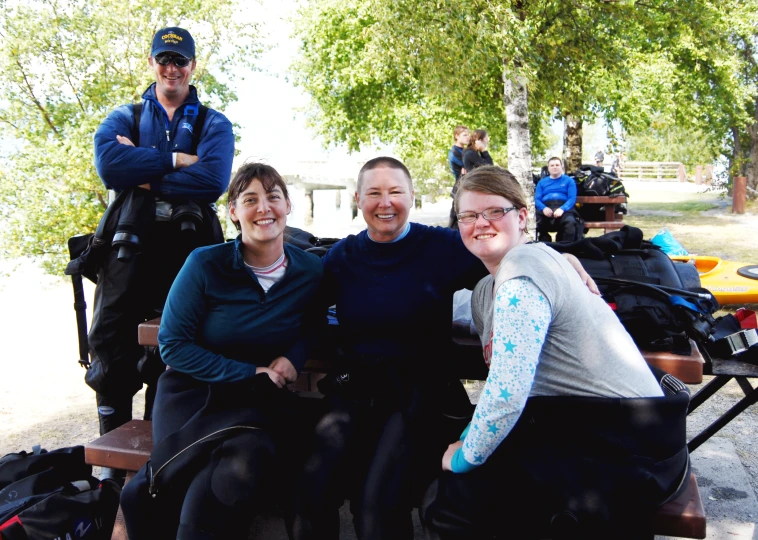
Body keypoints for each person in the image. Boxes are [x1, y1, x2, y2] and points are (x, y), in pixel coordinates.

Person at [293, 157, 598, 540]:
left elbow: (509, 256)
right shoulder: (342, 257)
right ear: (358, 198)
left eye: (395, 192)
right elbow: (307, 315)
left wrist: (561, 257)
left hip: (420, 395)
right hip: (356, 391)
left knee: (377, 505)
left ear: (411, 197)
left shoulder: (442, 247)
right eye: (374, 193)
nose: (385, 203)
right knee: (310, 491)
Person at [421, 165, 691, 539]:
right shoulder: (500, 279)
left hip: (629, 452)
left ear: (521, 215)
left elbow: (507, 392)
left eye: (494, 211)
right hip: (603, 430)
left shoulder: (522, 272)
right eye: (468, 215)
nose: (480, 223)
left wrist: (466, 454)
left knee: (451, 499)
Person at [119, 163, 324, 539]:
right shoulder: (204, 264)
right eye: (250, 200)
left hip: (257, 399)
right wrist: (250, 372)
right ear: (233, 212)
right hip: (192, 394)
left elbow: (314, 323)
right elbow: (173, 347)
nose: (264, 208)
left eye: (273, 197)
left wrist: (294, 357)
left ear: (288, 205)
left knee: (245, 458)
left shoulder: (310, 270)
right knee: (190, 475)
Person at [88, 27, 234, 445]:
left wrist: (146, 177)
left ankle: (163, 450)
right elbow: (111, 167)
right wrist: (175, 160)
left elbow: (213, 180)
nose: (172, 68)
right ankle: (111, 465)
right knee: (112, 344)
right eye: (164, 59)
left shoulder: (214, 123)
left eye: (180, 60)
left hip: (190, 250)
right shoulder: (125, 117)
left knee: (176, 347)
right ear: (151, 63)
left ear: (193, 65)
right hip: (127, 248)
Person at [535, 156, 581, 242]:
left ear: (561, 167)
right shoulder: (542, 182)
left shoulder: (569, 181)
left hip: (564, 209)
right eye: (552, 165)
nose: (555, 167)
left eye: (557, 165)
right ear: (548, 168)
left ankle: (565, 248)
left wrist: (562, 209)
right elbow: (537, 199)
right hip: (545, 209)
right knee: (536, 223)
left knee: (570, 222)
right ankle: (544, 246)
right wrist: (543, 208)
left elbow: (572, 198)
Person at [447, 125, 470, 229]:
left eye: (468, 135)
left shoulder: (467, 151)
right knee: (455, 219)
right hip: (459, 188)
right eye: (464, 135)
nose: (468, 137)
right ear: (456, 136)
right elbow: (469, 167)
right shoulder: (454, 152)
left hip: (468, 186)